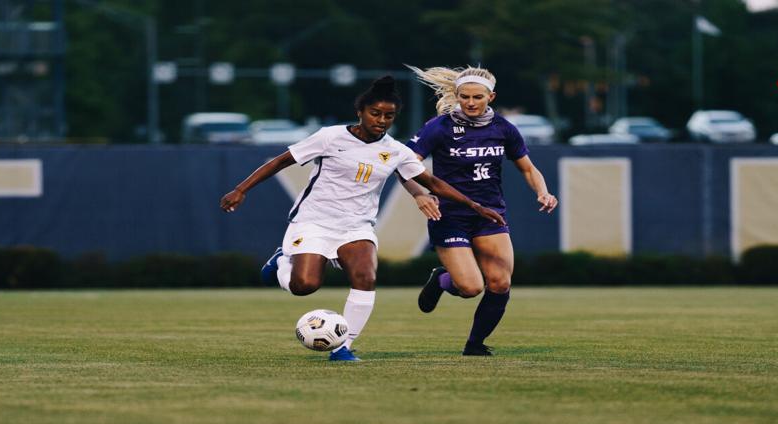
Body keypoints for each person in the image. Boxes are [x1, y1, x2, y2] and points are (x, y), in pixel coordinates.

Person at [219, 76, 503, 362]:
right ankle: (282, 262)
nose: (381, 120)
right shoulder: (330, 137)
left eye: (388, 116)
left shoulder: (395, 151)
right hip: (314, 221)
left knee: (366, 277)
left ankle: (343, 347)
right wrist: (241, 189)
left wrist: (474, 205)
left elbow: (432, 182)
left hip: (356, 226)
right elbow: (281, 161)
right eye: (375, 113)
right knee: (304, 286)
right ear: (361, 112)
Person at [404, 65, 558, 357]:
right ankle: (441, 279)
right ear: (457, 96)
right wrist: (418, 194)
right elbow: (406, 163)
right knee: (471, 288)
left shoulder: (503, 128)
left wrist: (543, 191)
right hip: (448, 216)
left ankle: (474, 345)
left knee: (500, 283)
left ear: (491, 97)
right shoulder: (439, 127)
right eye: (465, 97)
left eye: (477, 97)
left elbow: (527, 168)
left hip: (490, 215)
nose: (471, 103)